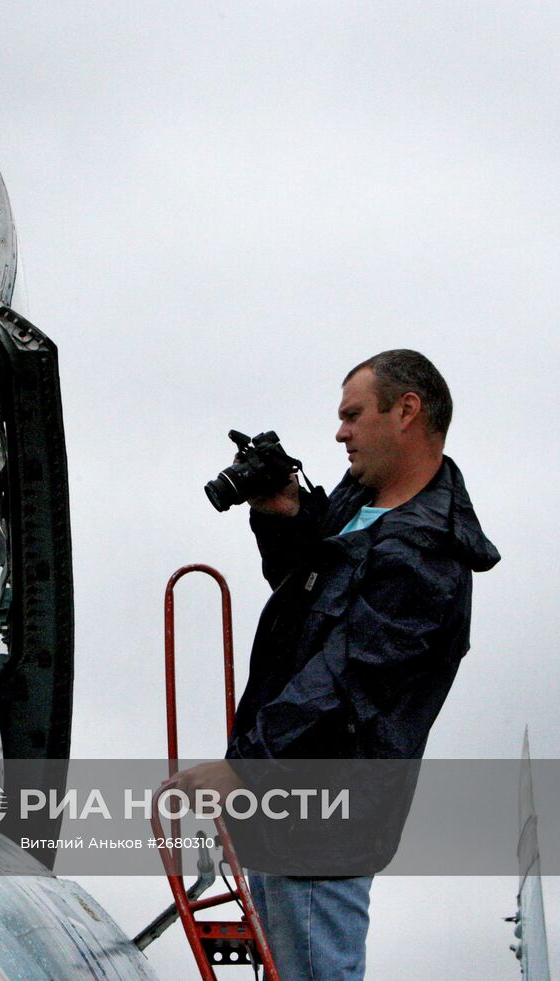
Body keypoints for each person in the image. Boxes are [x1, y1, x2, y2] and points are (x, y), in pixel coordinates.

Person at [171, 349, 499, 980]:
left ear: (406, 411)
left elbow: (349, 679)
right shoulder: (361, 499)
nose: (340, 432)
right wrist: (282, 509)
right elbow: (302, 587)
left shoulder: (427, 553)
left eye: (352, 415)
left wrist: (246, 767)